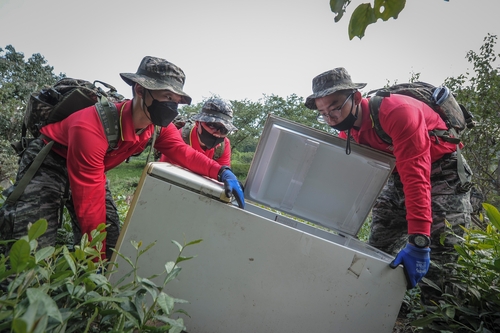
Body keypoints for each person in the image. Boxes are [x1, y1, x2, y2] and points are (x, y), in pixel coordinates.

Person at [0, 56, 245, 260]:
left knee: (111, 239)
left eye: (176, 100)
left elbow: (184, 152)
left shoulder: (158, 126)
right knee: (29, 250)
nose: (171, 106)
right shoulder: (91, 127)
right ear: (140, 90)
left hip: (92, 168)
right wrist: (94, 262)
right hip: (50, 163)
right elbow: (89, 204)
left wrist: (221, 172)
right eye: (165, 96)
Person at [304, 68, 472, 302]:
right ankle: (378, 305)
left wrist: (419, 241)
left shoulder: (397, 112)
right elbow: (356, 181)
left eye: (335, 106)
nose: (330, 117)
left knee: (443, 258)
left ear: (357, 98)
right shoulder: (348, 133)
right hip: (397, 171)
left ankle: (439, 316)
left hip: (440, 169)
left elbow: (416, 177)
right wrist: (340, 225)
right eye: (322, 112)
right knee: (379, 246)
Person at [160, 98, 236, 166]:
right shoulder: (179, 138)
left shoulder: (223, 145)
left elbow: (221, 174)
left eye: (224, 130)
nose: (217, 134)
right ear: (197, 123)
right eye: (212, 125)